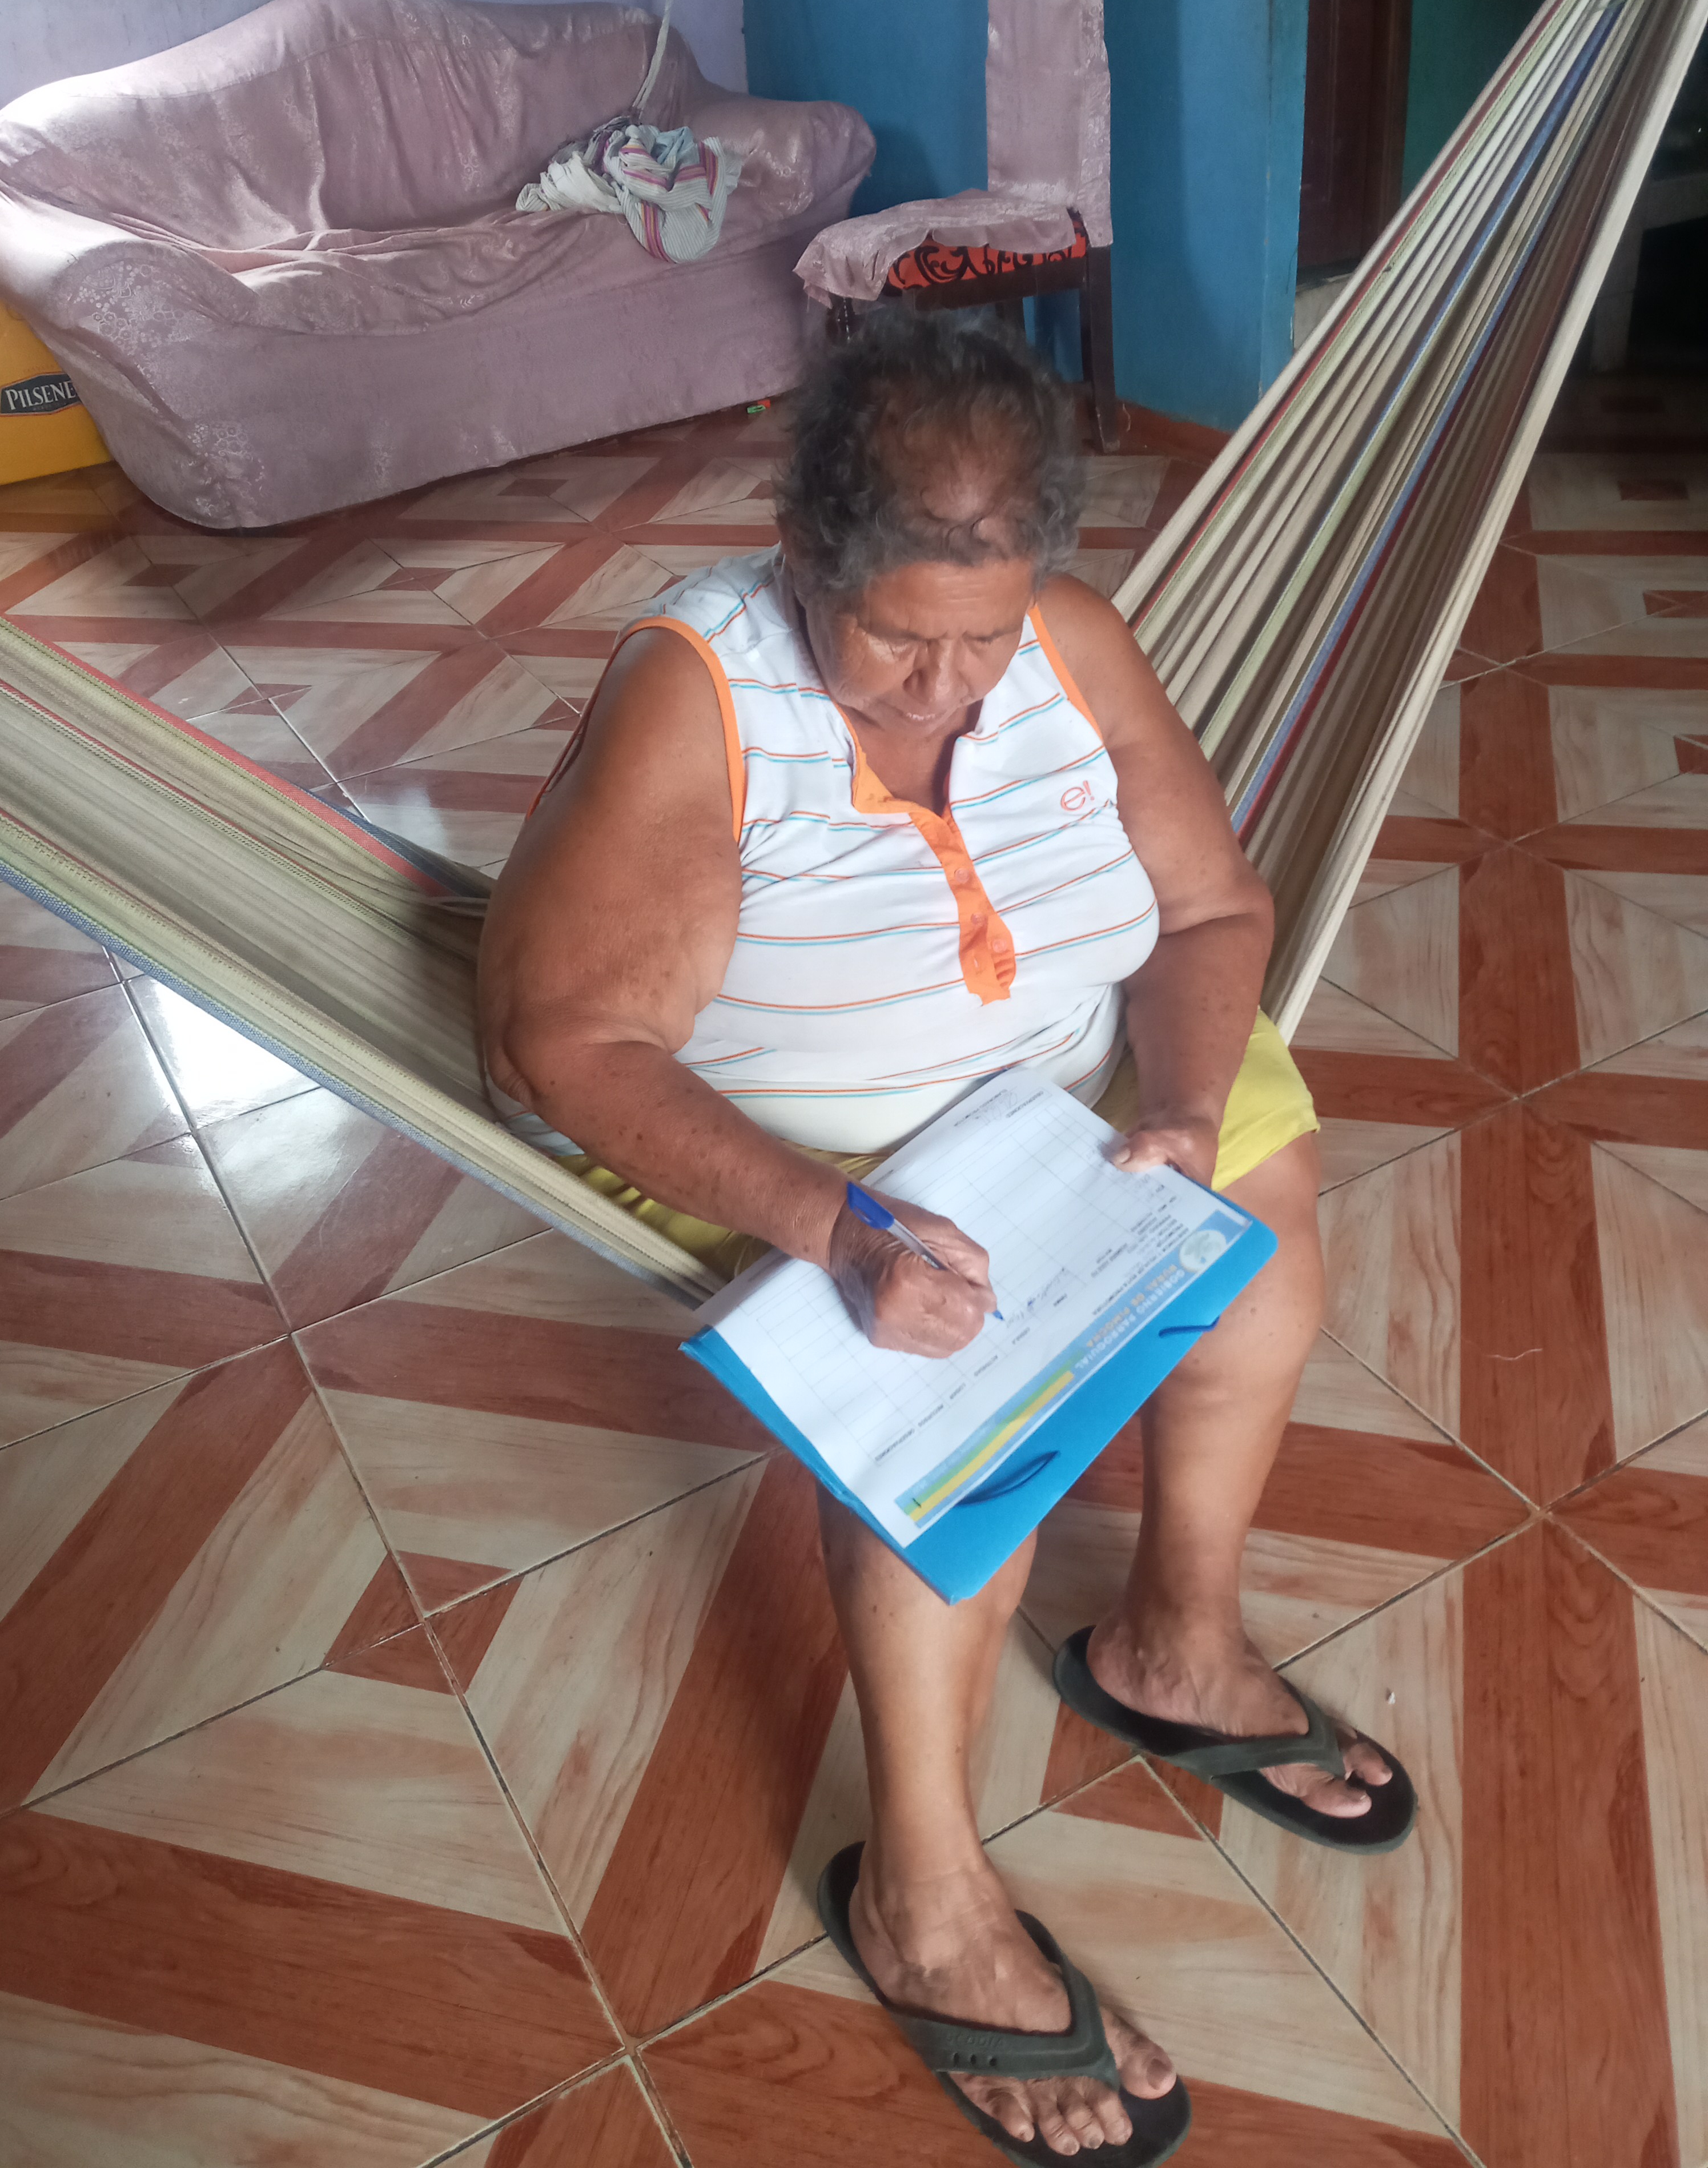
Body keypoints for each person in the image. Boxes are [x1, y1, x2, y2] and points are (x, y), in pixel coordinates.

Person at [479, 312, 1416, 2166]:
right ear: (800, 558)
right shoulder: (700, 695)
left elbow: (1212, 912)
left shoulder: (1068, 644)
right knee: (956, 1448)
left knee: (1261, 1259)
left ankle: (1176, 1644)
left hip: (1079, 1087)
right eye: (899, 639)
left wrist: (1180, 1104)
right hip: (822, 1161)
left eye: (984, 638)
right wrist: (835, 1227)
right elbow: (561, 1046)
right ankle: (922, 1893)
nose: (945, 689)